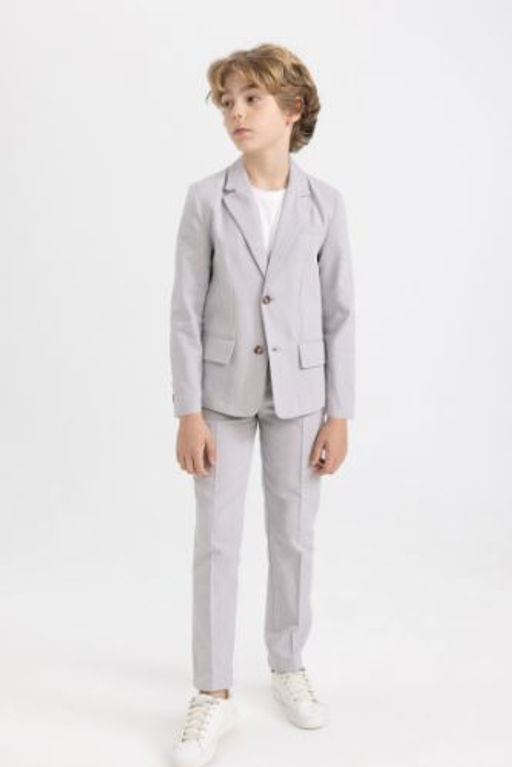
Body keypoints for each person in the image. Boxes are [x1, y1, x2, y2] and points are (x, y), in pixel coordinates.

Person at [169, 42, 355, 767]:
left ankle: (287, 662)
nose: (236, 113)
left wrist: (339, 412)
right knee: (216, 539)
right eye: (227, 101)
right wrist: (188, 409)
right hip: (222, 395)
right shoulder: (205, 199)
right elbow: (185, 311)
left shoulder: (325, 204)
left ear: (292, 108)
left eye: (251, 98)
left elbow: (340, 314)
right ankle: (212, 692)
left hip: (301, 395)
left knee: (294, 536)